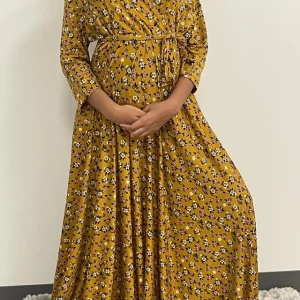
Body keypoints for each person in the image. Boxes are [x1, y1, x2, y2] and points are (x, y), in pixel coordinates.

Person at [51, 0, 259, 299]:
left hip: (173, 116)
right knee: (111, 211)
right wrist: (110, 109)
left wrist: (172, 104)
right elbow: (71, 55)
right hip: (110, 126)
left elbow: (197, 47)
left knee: (234, 201)